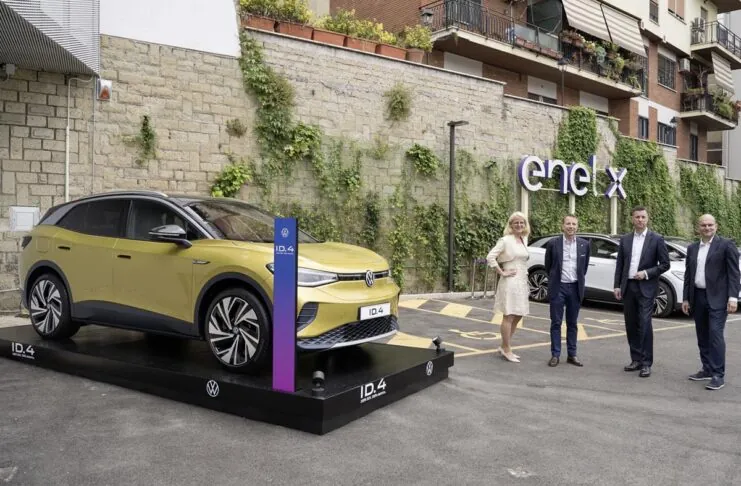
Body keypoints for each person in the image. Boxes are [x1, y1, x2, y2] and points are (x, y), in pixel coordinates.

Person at [682, 214, 740, 391]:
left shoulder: (726, 245)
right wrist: (686, 298)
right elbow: (688, 275)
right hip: (698, 296)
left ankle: (718, 374)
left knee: (715, 335)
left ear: (716, 226)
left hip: (718, 298)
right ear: (698, 227)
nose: (707, 228)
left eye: (710, 225)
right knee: (702, 335)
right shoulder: (692, 248)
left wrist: (733, 297)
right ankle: (707, 369)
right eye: (703, 225)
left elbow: (734, 273)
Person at [613, 206, 670, 378]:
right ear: (632, 219)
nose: (640, 219)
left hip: (646, 287)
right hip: (628, 286)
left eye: (643, 217)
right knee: (631, 324)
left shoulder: (657, 239)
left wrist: (646, 273)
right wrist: (617, 285)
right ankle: (636, 359)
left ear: (647, 218)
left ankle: (646, 363)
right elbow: (620, 264)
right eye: (637, 217)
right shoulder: (625, 239)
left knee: (645, 324)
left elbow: (665, 264)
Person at [544, 214, 591, 367]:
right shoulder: (553, 243)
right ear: (562, 226)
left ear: (577, 226)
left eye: (574, 224)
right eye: (568, 224)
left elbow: (583, 268)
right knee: (556, 323)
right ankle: (555, 355)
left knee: (572, 323)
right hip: (559, 287)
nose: (571, 227)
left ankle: (572, 354)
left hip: (575, 288)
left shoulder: (584, 244)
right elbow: (548, 266)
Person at [487, 211, 531, 363]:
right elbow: (490, 256)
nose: (519, 225)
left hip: (521, 280)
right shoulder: (505, 240)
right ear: (511, 225)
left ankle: (504, 345)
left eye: (522, 222)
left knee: (519, 314)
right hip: (510, 281)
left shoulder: (523, 239)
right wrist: (501, 272)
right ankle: (506, 348)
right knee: (509, 315)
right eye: (516, 222)